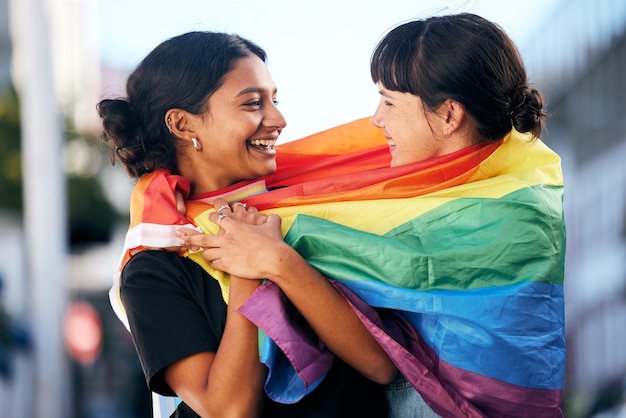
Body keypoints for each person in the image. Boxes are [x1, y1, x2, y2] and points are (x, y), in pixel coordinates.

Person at [176, 13, 566, 417]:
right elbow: (382, 359)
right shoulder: (408, 199)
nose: (376, 119)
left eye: (389, 101)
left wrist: (273, 257)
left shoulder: (506, 214)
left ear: (449, 115)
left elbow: (396, 367)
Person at [97, 31, 391, 418]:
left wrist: (277, 260)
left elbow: (380, 366)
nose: (279, 119)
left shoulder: (304, 214)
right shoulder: (154, 267)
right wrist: (245, 276)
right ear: (183, 125)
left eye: (275, 100)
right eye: (254, 103)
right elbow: (228, 410)